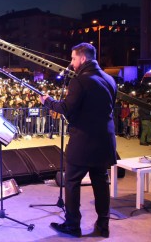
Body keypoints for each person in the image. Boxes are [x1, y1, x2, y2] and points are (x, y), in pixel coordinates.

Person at [39, 43, 117, 238]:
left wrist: (48, 101)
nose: (71, 63)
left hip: (83, 142)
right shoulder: (110, 79)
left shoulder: (80, 81)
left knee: (72, 182)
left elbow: (67, 108)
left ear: (82, 58)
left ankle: (73, 225)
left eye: (73, 58)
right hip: (105, 141)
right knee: (101, 182)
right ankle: (103, 225)